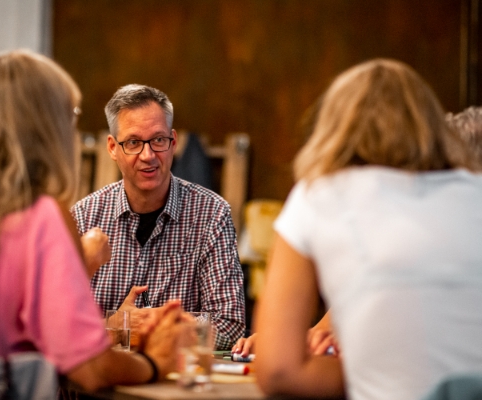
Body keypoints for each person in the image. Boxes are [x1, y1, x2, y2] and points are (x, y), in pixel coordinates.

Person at [0, 50, 185, 391]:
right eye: (69, 115)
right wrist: (155, 362)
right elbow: (91, 368)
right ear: (48, 131)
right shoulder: (41, 216)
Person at [254, 58, 482, 400]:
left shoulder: (319, 196)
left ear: (333, 130)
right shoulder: (474, 191)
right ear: (434, 126)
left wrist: (370, 372)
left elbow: (279, 371)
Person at [70, 84, 245, 350]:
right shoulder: (84, 217)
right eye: (133, 143)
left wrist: (160, 327)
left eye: (158, 140)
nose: (148, 155)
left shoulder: (211, 214)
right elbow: (58, 326)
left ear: (173, 142)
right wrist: (116, 327)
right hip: (104, 375)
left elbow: (230, 324)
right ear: (113, 148)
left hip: (175, 375)